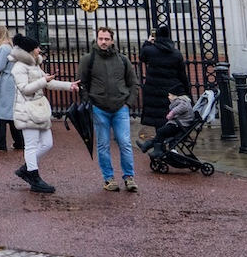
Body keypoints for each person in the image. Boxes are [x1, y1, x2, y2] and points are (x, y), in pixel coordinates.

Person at [11, 35, 78, 193]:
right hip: (26, 109)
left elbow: (49, 83)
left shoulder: (34, 65)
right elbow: (25, 89)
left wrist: (69, 86)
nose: (39, 50)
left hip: (39, 108)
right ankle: (34, 177)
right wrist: (43, 81)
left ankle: (27, 168)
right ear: (30, 50)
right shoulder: (19, 67)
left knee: (47, 143)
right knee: (31, 145)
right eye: (36, 48)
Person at [79, 26, 141, 191]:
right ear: (97, 39)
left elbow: (133, 82)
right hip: (99, 108)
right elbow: (81, 84)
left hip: (121, 107)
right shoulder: (88, 59)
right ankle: (108, 178)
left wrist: (129, 103)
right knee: (103, 144)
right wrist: (88, 103)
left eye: (106, 39)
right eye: (101, 39)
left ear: (112, 40)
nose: (103, 42)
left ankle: (129, 177)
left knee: (125, 143)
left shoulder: (122, 59)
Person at [138, 25, 190, 132]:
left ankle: (159, 146)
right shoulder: (176, 54)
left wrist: (148, 42)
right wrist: (186, 92)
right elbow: (182, 75)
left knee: (158, 123)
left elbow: (142, 56)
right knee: (171, 119)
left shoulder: (150, 51)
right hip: (171, 93)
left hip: (154, 92)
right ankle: (171, 145)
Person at [0, 26, 23, 152]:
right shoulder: (9, 47)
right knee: (9, 112)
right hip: (8, 80)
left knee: (0, 112)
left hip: (4, 81)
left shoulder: (3, 47)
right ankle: (19, 141)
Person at [140, 93, 199, 160]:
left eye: (170, 95)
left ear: (175, 96)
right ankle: (147, 145)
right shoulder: (181, 101)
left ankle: (157, 150)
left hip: (180, 125)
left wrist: (172, 113)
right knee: (161, 133)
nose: (168, 97)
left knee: (161, 131)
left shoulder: (181, 101)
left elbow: (181, 107)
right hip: (179, 124)